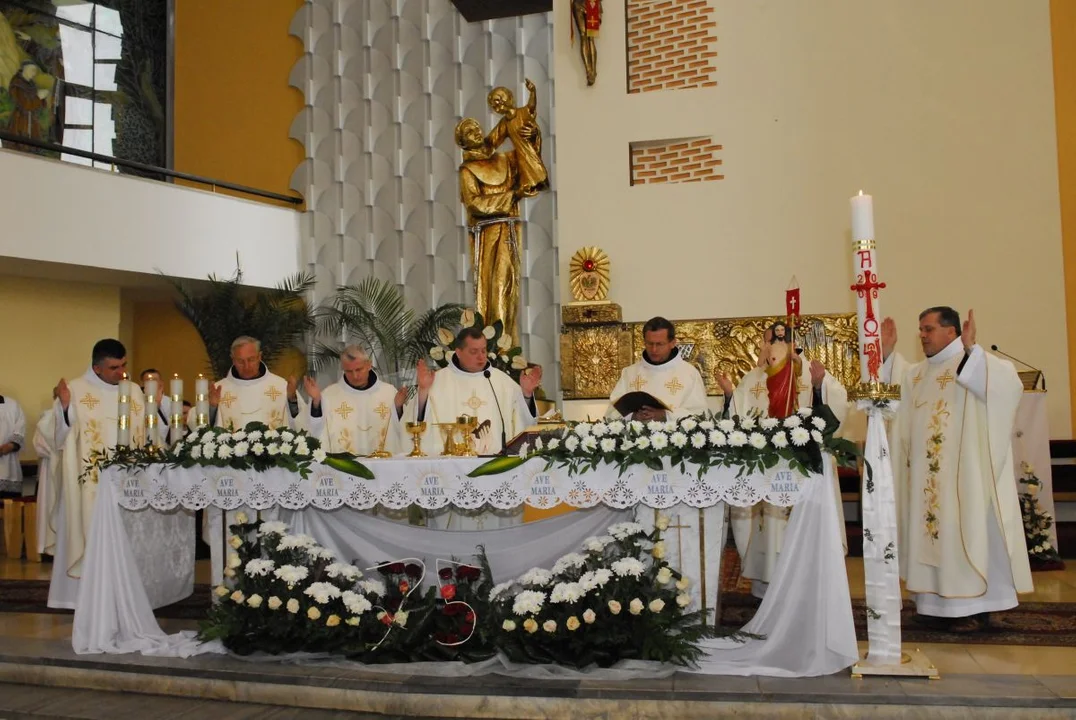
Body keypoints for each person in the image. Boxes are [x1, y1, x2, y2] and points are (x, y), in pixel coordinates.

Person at [885, 307, 1032, 630]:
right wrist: (886, 354)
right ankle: (939, 606)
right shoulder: (917, 374)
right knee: (938, 535)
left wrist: (972, 350)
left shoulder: (972, 363)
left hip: (967, 478)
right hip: (928, 480)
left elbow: (1005, 386)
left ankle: (982, 605)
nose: (922, 335)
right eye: (920, 330)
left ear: (951, 332)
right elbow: (888, 397)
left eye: (928, 329)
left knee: (972, 533)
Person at [716, 321, 849, 598]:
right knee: (767, 529)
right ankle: (765, 587)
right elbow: (737, 418)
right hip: (766, 470)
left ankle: (805, 585)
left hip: (800, 468)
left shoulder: (809, 372)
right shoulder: (753, 379)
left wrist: (818, 385)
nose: (768, 348)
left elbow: (835, 408)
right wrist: (729, 396)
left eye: (774, 342)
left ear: (790, 345)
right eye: (765, 343)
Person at [409, 326, 541, 530]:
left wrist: (525, 394)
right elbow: (418, 424)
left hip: (496, 473)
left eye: (483, 350)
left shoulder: (500, 380)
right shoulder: (439, 380)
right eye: (473, 351)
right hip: (454, 473)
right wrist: (424, 391)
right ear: (458, 352)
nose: (481, 356)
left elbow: (525, 424)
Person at [49, 339, 145, 607]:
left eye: (124, 364)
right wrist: (65, 409)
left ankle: (123, 599)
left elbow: (148, 436)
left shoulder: (135, 391)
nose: (122, 372)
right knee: (87, 535)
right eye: (115, 367)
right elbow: (55, 438)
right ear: (97, 367)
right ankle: (82, 601)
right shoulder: (76, 390)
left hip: (127, 483)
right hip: (87, 485)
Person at [457, 117, 524, 340]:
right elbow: (474, 204)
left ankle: (507, 342)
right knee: (495, 286)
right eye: (468, 132)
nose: (475, 131)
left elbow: (528, 157)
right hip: (488, 234)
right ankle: (497, 344)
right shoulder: (467, 171)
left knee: (508, 285)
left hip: (510, 230)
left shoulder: (504, 159)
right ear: (463, 143)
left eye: (476, 128)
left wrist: (523, 126)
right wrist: (510, 197)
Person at [307, 345, 407, 456]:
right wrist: (316, 401)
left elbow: (403, 429)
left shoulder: (389, 393)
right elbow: (317, 431)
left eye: (359, 369)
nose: (355, 376)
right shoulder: (330, 395)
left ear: (369, 365)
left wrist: (398, 408)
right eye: (349, 371)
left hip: (382, 465)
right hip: (345, 468)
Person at [607, 317, 708, 421]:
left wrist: (665, 415)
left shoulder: (689, 373)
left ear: (672, 343)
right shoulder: (629, 373)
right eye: (650, 343)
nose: (654, 349)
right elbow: (611, 412)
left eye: (659, 344)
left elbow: (700, 415)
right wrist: (634, 416)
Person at [486, 81, 549, 198]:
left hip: (529, 150)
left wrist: (533, 91)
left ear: (508, 97)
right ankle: (528, 186)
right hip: (520, 154)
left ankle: (539, 183)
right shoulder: (504, 123)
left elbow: (531, 105)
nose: (498, 106)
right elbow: (492, 139)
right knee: (524, 172)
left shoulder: (522, 112)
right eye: (494, 105)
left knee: (536, 169)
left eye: (499, 100)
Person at [0, 391, 25, 495]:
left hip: (8, 470)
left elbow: (19, 433)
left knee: (9, 509)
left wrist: (6, 448)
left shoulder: (12, 405)